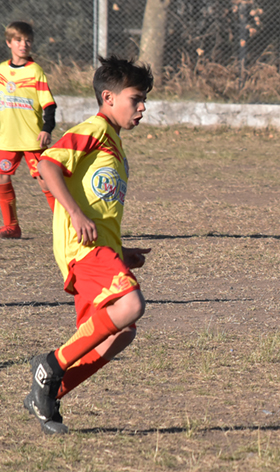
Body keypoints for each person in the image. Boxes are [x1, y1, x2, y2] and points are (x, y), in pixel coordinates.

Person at [24, 56, 153, 434]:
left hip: (103, 250)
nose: (143, 107)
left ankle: (49, 392)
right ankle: (50, 364)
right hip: (82, 250)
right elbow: (47, 166)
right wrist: (75, 215)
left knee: (120, 333)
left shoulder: (115, 144)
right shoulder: (94, 129)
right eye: (136, 98)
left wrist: (121, 250)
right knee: (131, 305)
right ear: (109, 97)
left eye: (144, 99)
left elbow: (101, 207)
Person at [0, 21, 57, 239]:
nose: (24, 44)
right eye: (18, 40)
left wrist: (47, 129)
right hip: (6, 139)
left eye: (27, 40)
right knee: (2, 178)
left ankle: (64, 225)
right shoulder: (1, 71)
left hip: (32, 139)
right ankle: (11, 226)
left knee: (45, 179)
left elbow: (49, 105)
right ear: (9, 43)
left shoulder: (35, 71)